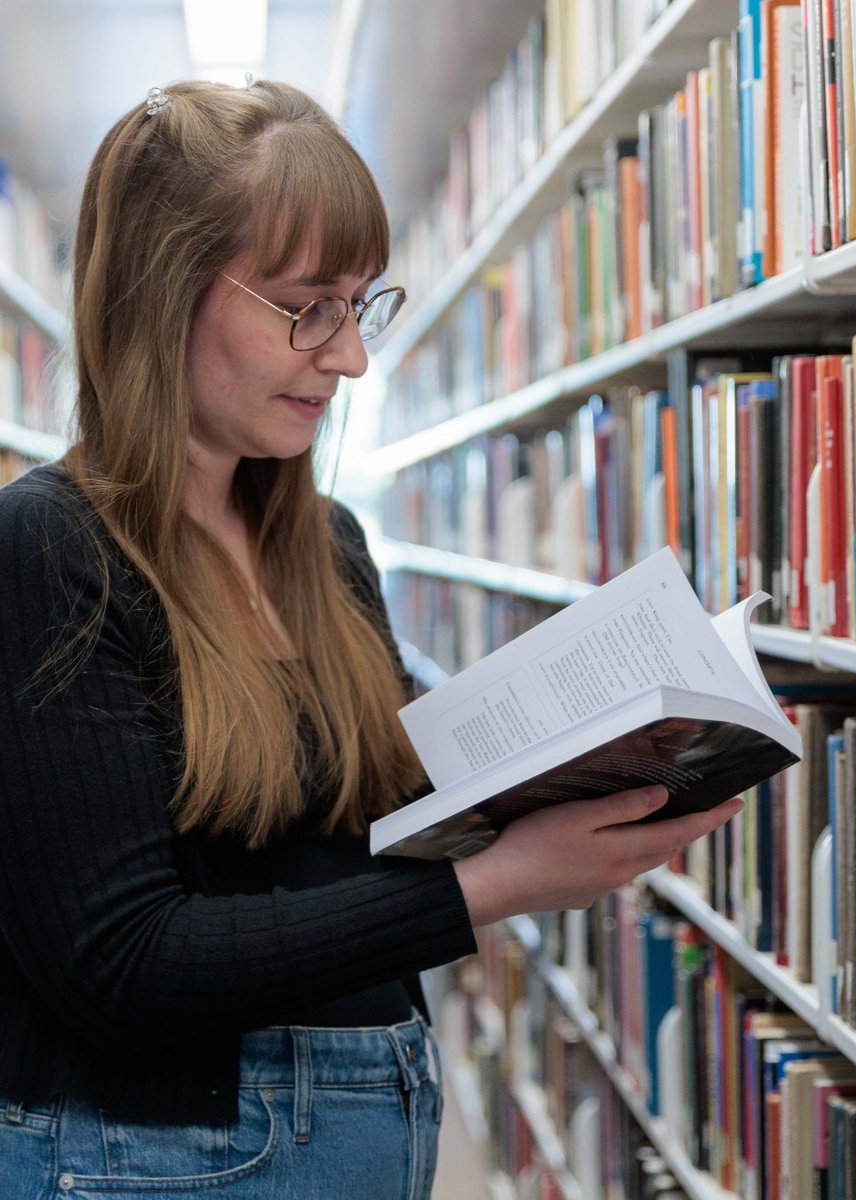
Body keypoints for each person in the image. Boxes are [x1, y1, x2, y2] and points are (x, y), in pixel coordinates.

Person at [0, 79, 743, 1199]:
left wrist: (564, 777)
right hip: (160, 1155)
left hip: (372, 1111)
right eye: (308, 308)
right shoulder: (52, 546)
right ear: (163, 295)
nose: (350, 360)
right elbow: (123, 962)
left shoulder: (327, 543)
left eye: (362, 305)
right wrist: (491, 888)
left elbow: (357, 846)